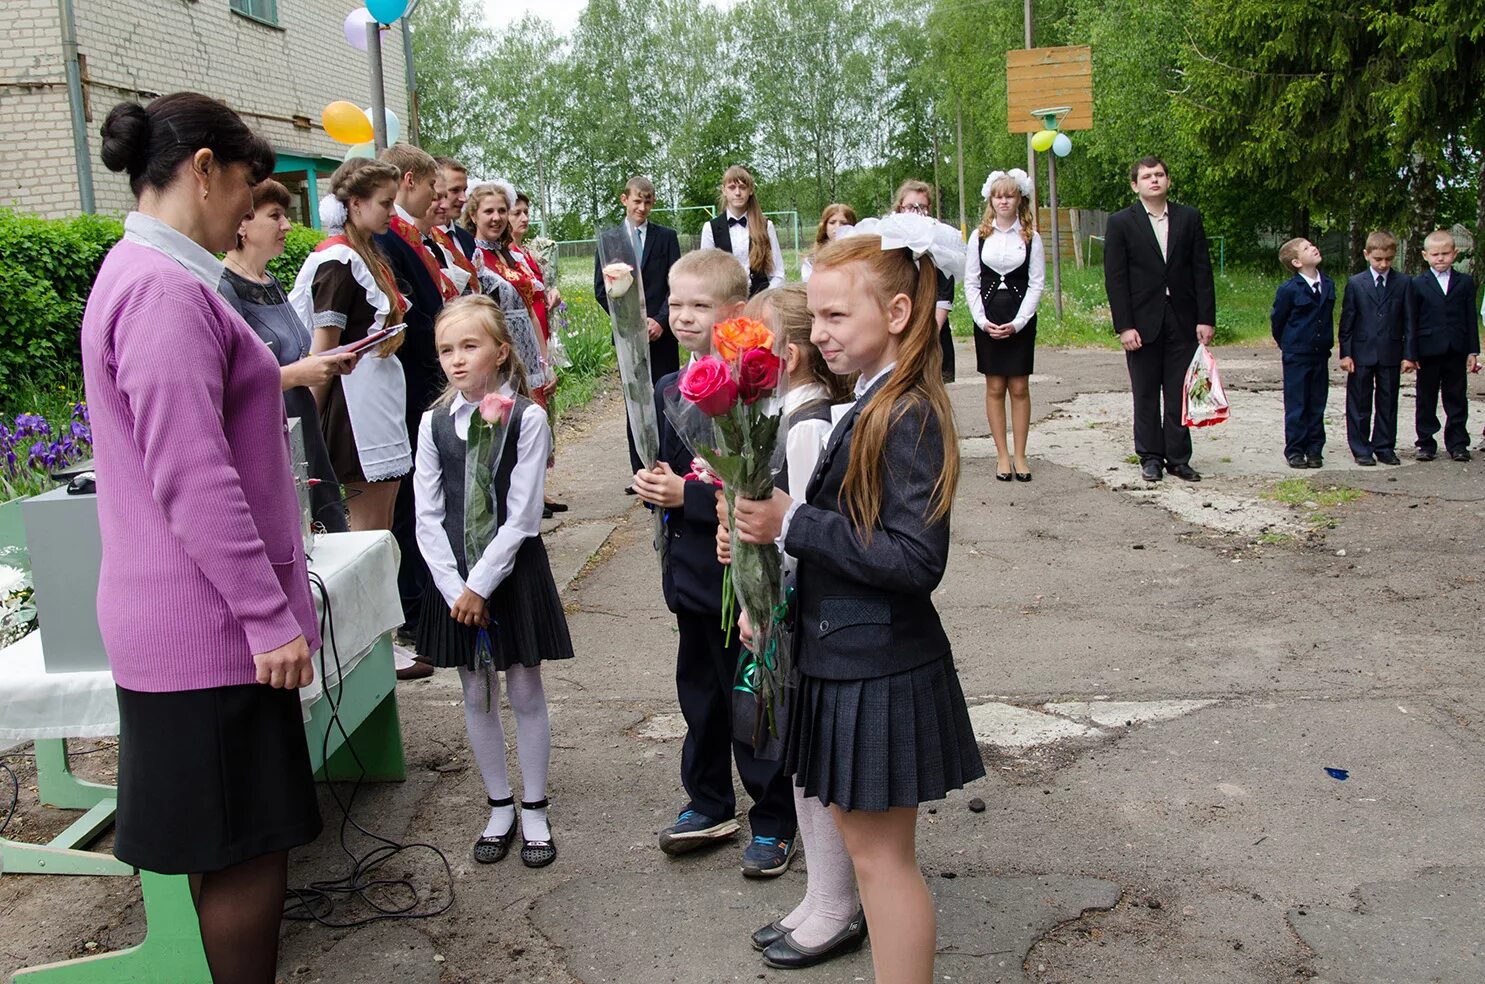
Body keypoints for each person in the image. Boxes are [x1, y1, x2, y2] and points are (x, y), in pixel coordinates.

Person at [83, 91, 321, 984]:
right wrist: (267, 615)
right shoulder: (162, 291)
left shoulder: (146, 274)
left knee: (229, 845)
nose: (247, 214)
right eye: (247, 187)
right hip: (208, 630)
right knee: (243, 851)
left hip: (190, 621)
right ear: (205, 169)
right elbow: (193, 474)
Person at [731, 217, 985, 984]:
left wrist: (793, 522)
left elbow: (915, 560)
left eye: (837, 315)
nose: (820, 332)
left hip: (877, 665)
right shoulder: (874, 398)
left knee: (881, 864)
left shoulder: (903, 411)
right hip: (847, 657)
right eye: (817, 314)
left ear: (899, 314)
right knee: (871, 858)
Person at [632, 250, 797, 875]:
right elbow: (658, 470)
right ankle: (707, 801)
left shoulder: (757, 395)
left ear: (735, 315)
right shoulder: (668, 388)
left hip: (746, 571)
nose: (682, 316)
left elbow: (762, 483)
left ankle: (775, 815)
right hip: (692, 573)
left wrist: (690, 496)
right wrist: (654, 486)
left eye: (699, 306)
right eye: (674, 303)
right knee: (699, 694)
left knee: (752, 693)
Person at [719, 286, 862, 969]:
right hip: (784, 607)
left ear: (790, 352)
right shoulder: (781, 411)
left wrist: (759, 591)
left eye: (756, 339)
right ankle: (820, 894)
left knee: (809, 759)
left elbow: (801, 528)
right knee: (797, 756)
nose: (742, 348)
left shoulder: (808, 422)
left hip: (797, 610)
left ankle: (838, 904)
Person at [414, 294, 575, 868]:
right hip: (454, 582)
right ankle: (499, 804)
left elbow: (524, 514)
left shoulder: (527, 419)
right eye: (445, 350)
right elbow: (426, 516)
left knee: (525, 689)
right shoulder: (433, 424)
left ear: (501, 352)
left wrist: (481, 584)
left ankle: (535, 805)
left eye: (469, 346)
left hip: (509, 572)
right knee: (476, 691)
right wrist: (454, 585)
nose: (456, 360)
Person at [219, 178, 357, 532]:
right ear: (242, 224)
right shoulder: (223, 288)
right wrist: (301, 373)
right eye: (275, 215)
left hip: (302, 425)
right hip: (269, 431)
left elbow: (295, 352)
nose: (287, 225)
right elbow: (231, 380)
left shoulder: (270, 281)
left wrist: (328, 362)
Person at [289, 158, 412, 532]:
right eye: (385, 203)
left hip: (378, 398)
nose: (392, 212)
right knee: (370, 531)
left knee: (384, 527)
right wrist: (308, 433)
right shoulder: (338, 259)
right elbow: (323, 350)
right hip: (356, 408)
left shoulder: (364, 253)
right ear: (355, 204)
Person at [1102, 155, 1216, 483]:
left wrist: (1205, 318)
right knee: (1147, 391)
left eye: (1160, 174)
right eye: (1147, 176)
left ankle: (1178, 458)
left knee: (1180, 390)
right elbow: (1116, 278)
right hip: (1141, 321)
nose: (1155, 180)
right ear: (1135, 185)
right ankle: (1150, 456)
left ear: (1167, 181)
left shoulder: (1188, 218)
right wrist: (1124, 325)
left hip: (1182, 318)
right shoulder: (1122, 222)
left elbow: (1201, 271)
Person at [594, 175, 683, 473]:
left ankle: (669, 464)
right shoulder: (609, 240)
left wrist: (660, 320)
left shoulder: (666, 237)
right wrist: (630, 323)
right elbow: (600, 289)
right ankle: (641, 469)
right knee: (635, 400)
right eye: (637, 201)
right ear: (624, 200)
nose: (642, 208)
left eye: (648, 202)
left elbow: (675, 283)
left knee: (665, 397)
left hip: (661, 334)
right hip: (628, 336)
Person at [964, 169, 1044, 482]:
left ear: (1019, 198)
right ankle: (1001, 454)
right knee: (995, 386)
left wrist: (1020, 322)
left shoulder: (1030, 236)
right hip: (988, 317)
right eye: (998, 196)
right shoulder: (979, 236)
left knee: (1019, 387)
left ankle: (1021, 455)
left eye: (1009, 195)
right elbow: (971, 282)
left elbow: (1036, 284)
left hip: (1019, 318)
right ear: (991, 200)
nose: (1003, 201)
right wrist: (982, 321)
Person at [461, 184, 553, 407]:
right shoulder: (472, 257)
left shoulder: (513, 256)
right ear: (473, 215)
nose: (497, 218)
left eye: (502, 211)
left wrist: (544, 362)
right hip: (500, 360)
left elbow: (529, 312)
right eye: (489, 211)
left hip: (530, 358)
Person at [1404, 229, 1479, 462]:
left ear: (1454, 254)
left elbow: (1470, 318)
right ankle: (1426, 442)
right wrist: (1410, 353)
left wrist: (1473, 350)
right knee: (1426, 397)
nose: (1440, 258)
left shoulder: (1465, 282)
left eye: (1445, 253)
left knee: (1456, 396)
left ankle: (1458, 443)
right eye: (1435, 254)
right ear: (1425, 255)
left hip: (1455, 349)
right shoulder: (1416, 284)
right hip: (1427, 350)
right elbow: (1411, 320)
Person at [1339, 232, 1406, 466]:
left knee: (1388, 402)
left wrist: (1409, 355)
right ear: (1367, 255)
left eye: (1388, 259)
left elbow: (1409, 321)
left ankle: (1385, 446)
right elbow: (1347, 320)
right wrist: (1345, 353)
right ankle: (1360, 448)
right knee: (1359, 402)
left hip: (1391, 351)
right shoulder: (1356, 283)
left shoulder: (1403, 282)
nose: (1383, 264)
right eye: (1378, 259)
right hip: (1361, 352)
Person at [1270, 238, 1335, 469]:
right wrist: (1288, 344)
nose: (1313, 248)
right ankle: (1295, 450)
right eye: (1306, 248)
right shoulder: (1289, 289)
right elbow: (1278, 320)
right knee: (1297, 403)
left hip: (1320, 353)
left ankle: (1315, 449)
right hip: (1297, 354)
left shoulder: (1328, 283)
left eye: (1312, 245)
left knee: (1317, 403)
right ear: (1297, 262)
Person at [892, 180, 956, 382]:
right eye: (911, 207)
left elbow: (944, 297)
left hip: (932, 334)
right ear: (900, 209)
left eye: (922, 207)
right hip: (897, 334)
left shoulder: (941, 245)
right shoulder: (889, 243)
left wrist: (927, 337)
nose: (917, 212)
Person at [700, 165, 785, 296]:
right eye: (732, 187)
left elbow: (778, 274)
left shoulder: (766, 226)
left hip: (760, 300)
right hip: (725, 300)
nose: (738, 192)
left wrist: (763, 299)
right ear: (724, 190)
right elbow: (706, 273)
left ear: (750, 190)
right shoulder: (710, 228)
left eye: (743, 187)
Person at [800, 204, 856, 283]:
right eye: (832, 222)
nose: (838, 227)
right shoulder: (812, 260)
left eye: (844, 223)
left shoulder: (860, 257)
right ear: (824, 226)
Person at [435, 156, 477, 259]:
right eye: (455, 190)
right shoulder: (420, 238)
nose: (464, 198)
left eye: (464, 190)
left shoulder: (468, 239)